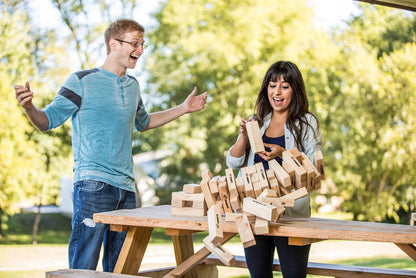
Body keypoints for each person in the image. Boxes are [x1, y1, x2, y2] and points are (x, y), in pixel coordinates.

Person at [14, 19, 208, 272]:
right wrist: (29, 108)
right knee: (83, 268)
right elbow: (47, 121)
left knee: (121, 268)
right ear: (113, 44)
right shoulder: (81, 81)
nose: (140, 50)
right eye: (134, 43)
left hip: (127, 188)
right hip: (93, 185)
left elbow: (144, 122)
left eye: (142, 44)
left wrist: (183, 109)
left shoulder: (133, 87)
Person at [226, 61, 322, 278]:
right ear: (265, 89)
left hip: (291, 213)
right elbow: (232, 163)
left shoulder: (307, 123)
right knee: (258, 275)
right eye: (272, 85)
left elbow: (315, 172)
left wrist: (284, 154)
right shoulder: (257, 121)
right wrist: (243, 136)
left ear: (295, 90)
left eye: (285, 86)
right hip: (254, 210)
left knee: (294, 274)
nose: (277, 92)